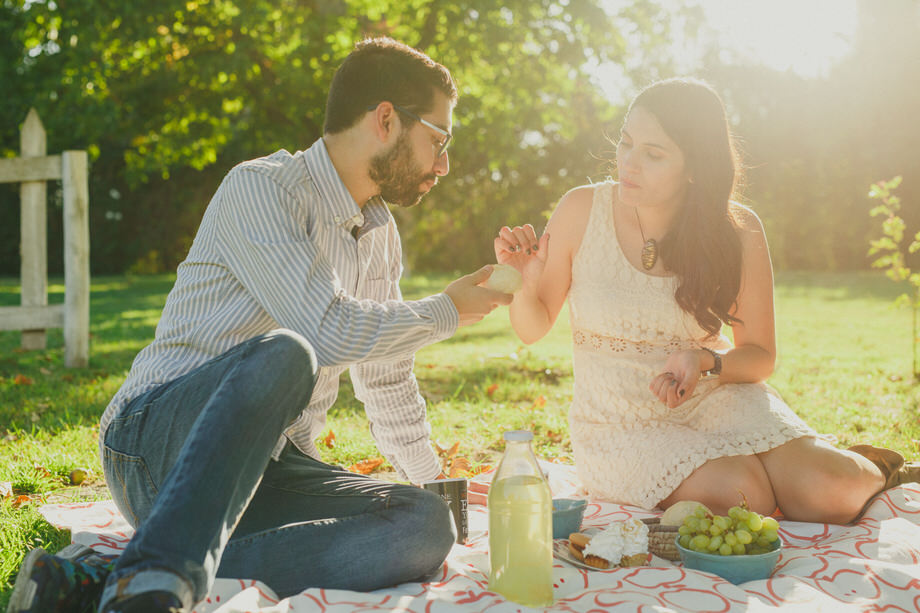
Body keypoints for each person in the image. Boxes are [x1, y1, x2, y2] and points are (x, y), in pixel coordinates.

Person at [8, 37, 512, 613]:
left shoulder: (380, 234)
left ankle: (110, 581)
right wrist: (448, 309)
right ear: (386, 120)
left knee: (424, 525)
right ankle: (152, 581)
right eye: (438, 140)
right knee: (286, 352)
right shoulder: (262, 188)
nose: (444, 164)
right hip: (154, 445)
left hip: (269, 469)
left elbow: (387, 377)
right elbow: (325, 332)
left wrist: (433, 483)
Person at [494, 77, 919, 524]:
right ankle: (771, 477)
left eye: (653, 154)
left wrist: (705, 361)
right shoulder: (581, 209)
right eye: (626, 143)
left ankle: (876, 467)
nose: (629, 164)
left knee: (833, 490)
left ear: (695, 166)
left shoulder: (738, 229)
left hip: (715, 395)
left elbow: (760, 357)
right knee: (742, 496)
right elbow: (532, 327)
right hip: (616, 424)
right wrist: (524, 283)